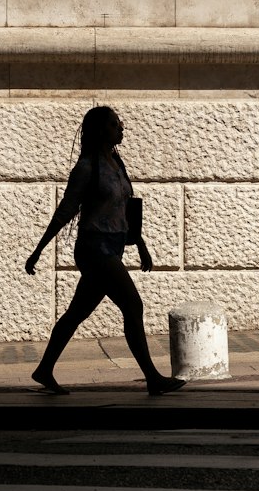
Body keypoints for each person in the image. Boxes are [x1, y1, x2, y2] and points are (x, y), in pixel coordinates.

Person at [25, 106, 186, 397]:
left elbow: (127, 209)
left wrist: (141, 246)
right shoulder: (87, 167)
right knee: (133, 306)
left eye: (120, 123)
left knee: (76, 313)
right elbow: (65, 211)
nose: (121, 128)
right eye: (114, 124)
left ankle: (44, 369)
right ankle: (152, 378)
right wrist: (38, 251)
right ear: (100, 130)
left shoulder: (117, 163)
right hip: (94, 249)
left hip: (113, 247)